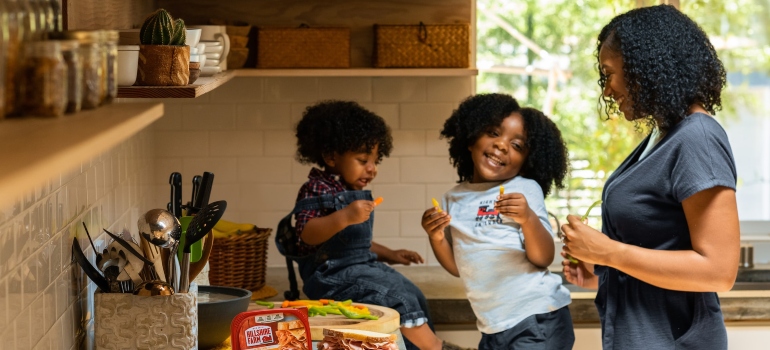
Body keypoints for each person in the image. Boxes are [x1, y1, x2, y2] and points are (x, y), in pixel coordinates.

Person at [560, 4, 740, 350]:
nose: (607, 90)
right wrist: (602, 272)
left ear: (644, 69)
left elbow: (719, 270)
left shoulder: (697, 137)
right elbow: (660, 251)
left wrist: (610, 253)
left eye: (609, 73)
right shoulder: (664, 134)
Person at [281, 100, 451, 350]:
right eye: (363, 160)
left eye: (375, 160)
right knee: (397, 298)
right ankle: (436, 348)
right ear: (331, 157)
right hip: (330, 276)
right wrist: (344, 217)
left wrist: (390, 254)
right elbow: (307, 234)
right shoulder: (318, 188)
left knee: (413, 293)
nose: (372, 169)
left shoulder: (351, 190)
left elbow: (354, 243)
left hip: (361, 267)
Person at [422, 93, 573, 350]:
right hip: (492, 326)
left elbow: (544, 257)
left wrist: (528, 219)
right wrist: (435, 238)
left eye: (517, 145)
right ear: (471, 139)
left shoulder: (524, 189)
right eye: (493, 133)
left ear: (526, 163)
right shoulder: (452, 199)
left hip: (536, 317)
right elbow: (459, 266)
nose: (502, 145)